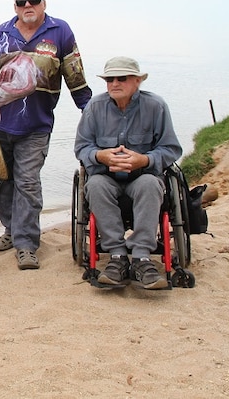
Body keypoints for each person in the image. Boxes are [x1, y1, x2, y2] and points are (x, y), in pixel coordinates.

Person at [0, 0, 91, 271]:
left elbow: (75, 77)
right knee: (3, 182)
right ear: (14, 6)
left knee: (27, 182)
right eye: (21, 2)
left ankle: (26, 245)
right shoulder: (0, 34)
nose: (28, 6)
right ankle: (11, 230)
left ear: (44, 3)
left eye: (33, 0)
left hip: (37, 126)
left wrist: (90, 111)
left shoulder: (60, 32)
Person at [74, 57, 183, 290]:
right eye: (110, 79)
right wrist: (100, 156)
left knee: (149, 184)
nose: (115, 83)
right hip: (106, 177)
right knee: (94, 186)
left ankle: (142, 257)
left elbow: (171, 149)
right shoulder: (94, 107)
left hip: (142, 177)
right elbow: (82, 148)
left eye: (121, 78)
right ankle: (117, 255)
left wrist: (144, 160)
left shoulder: (156, 107)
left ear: (136, 81)